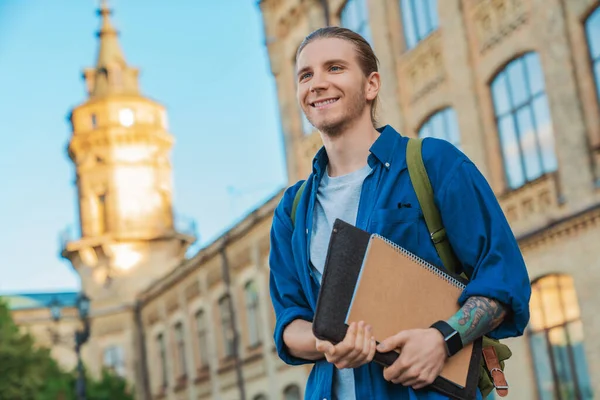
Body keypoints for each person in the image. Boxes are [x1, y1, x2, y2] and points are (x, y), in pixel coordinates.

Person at [268, 26, 531, 400]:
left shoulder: (434, 164)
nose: (317, 83)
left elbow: (504, 280)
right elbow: (289, 321)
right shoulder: (292, 210)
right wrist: (328, 343)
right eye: (305, 75)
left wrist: (443, 339)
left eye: (335, 68)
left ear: (371, 84)